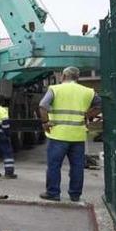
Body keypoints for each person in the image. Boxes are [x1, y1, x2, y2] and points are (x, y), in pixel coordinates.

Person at [38, 66, 101, 202]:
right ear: (77, 78)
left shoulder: (55, 89)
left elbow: (42, 105)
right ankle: (75, 195)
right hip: (77, 136)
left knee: (54, 165)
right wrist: (88, 116)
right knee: (77, 166)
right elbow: (100, 106)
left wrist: (45, 122)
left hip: (58, 135)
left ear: (63, 76)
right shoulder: (88, 91)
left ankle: (53, 193)